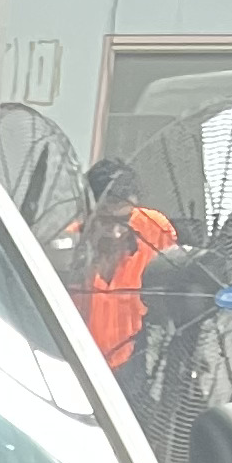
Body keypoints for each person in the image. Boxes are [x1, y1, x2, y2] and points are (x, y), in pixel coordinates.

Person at [63, 158, 178, 376]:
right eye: (105, 220)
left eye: (124, 219)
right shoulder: (67, 250)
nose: (116, 231)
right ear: (88, 210)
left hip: (133, 360)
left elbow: (175, 282)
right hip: (78, 366)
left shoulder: (154, 230)